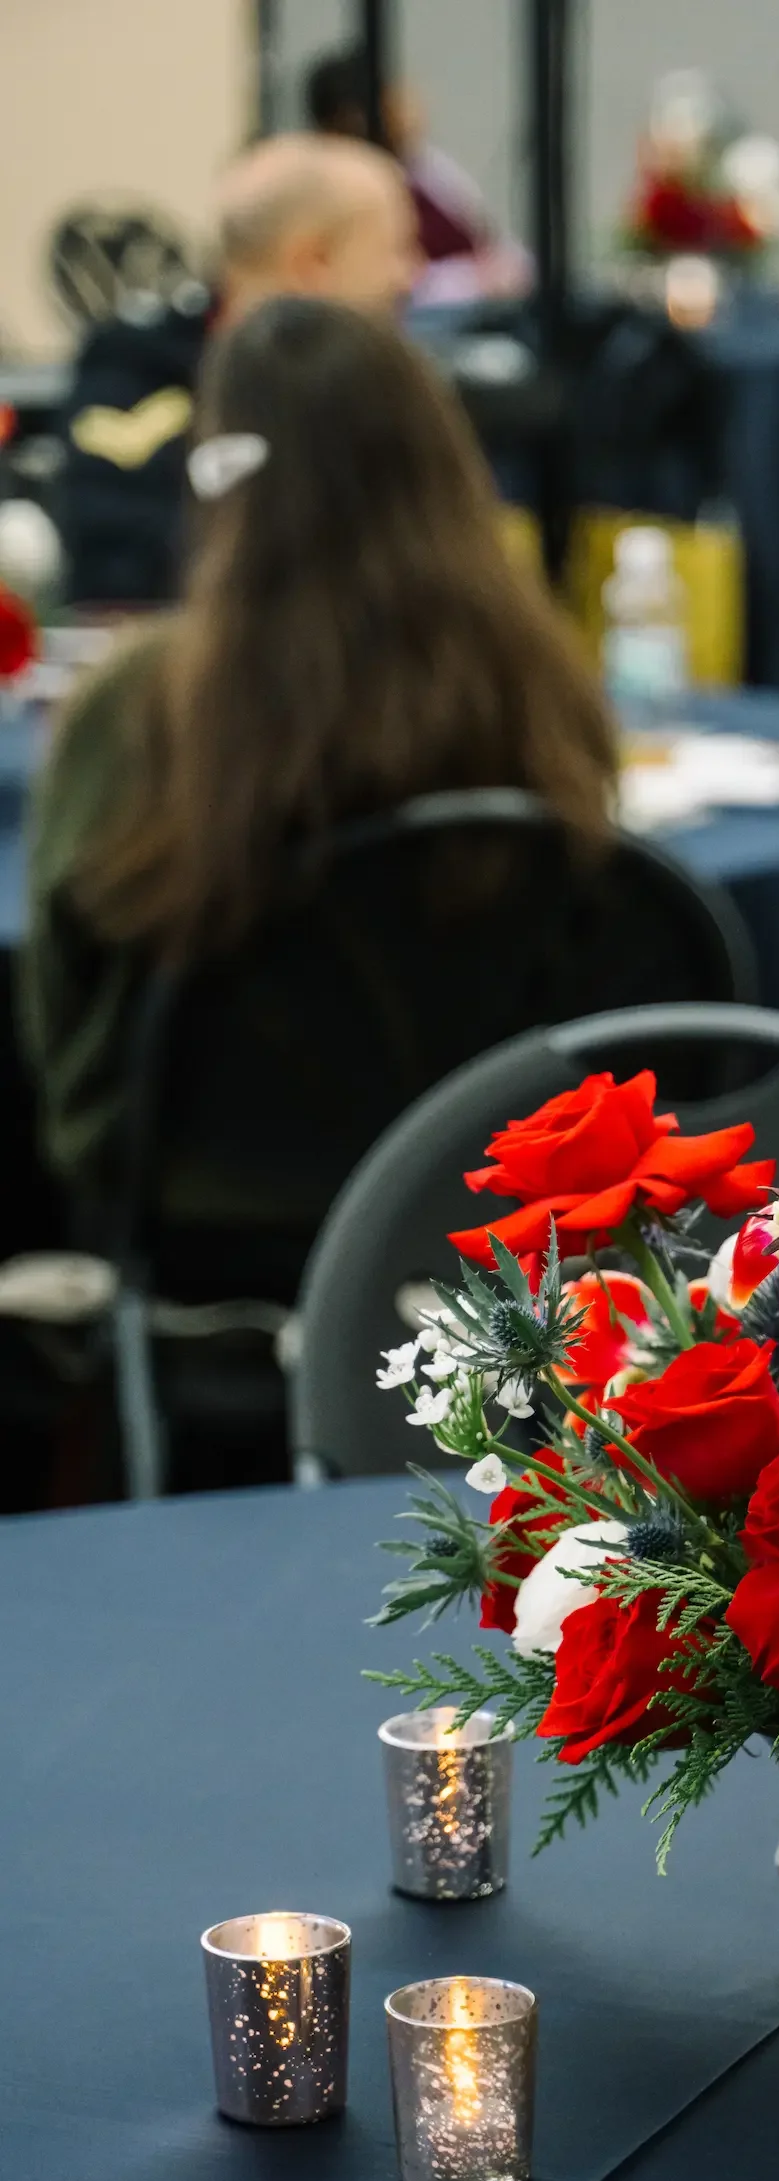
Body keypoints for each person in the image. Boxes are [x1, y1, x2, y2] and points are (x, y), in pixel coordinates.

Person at [22, 293, 627, 1308]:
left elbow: (68, 1028)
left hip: (202, 1230)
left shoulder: (138, 708)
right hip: (497, 1235)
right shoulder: (539, 687)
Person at [59, 134, 419, 608]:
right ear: (312, 262)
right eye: (395, 250)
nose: (409, 277)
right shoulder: (138, 374)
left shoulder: (395, 393)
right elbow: (118, 563)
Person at [305, 48, 533, 306]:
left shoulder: (426, 165)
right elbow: (390, 285)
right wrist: (475, 281)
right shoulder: (342, 191)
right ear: (353, 117)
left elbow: (489, 241)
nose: (412, 104)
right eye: (394, 97)